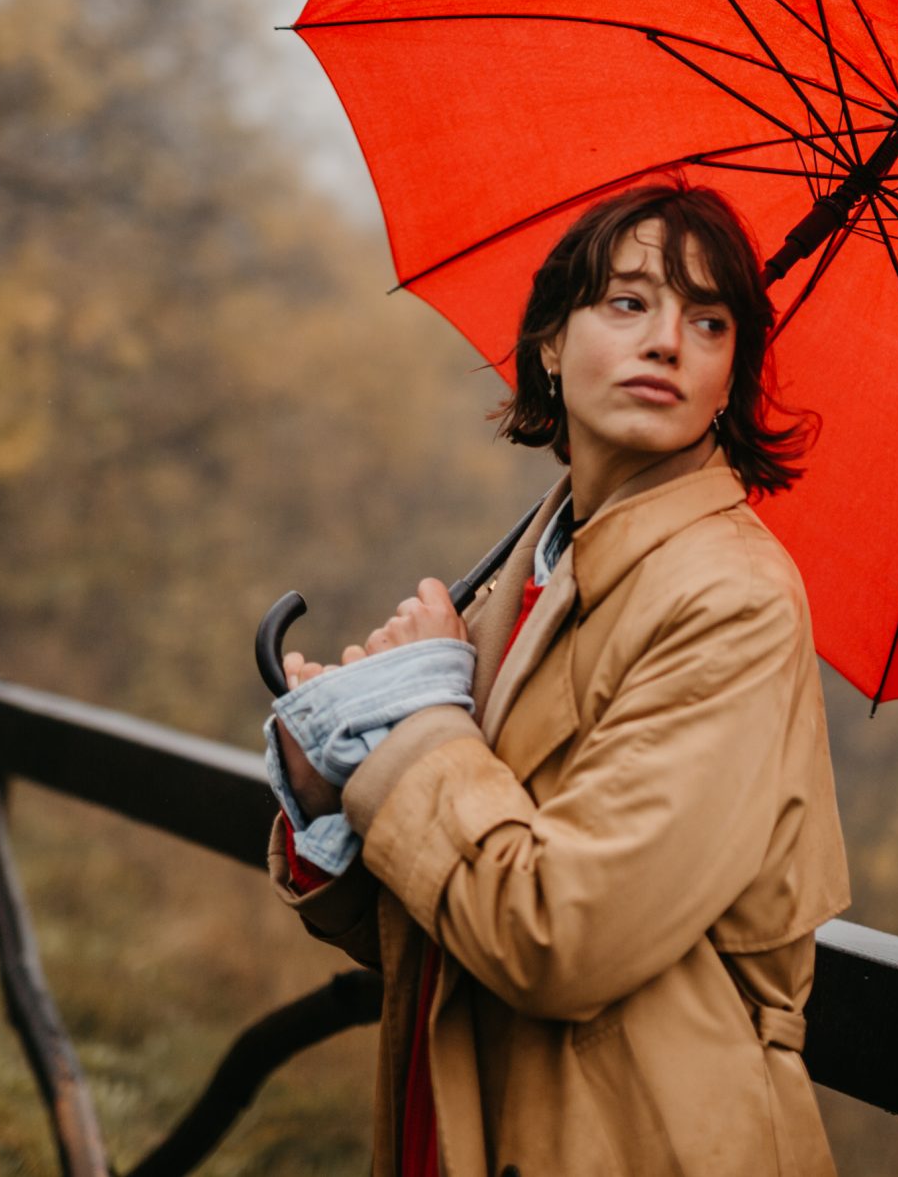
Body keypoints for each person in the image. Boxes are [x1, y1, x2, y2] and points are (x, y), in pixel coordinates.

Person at [265, 182, 851, 1177]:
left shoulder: (731, 600)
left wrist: (415, 726)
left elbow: (554, 938)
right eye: (627, 302)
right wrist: (333, 795)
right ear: (548, 341)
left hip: (640, 1141)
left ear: (729, 377)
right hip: (469, 1118)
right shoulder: (537, 566)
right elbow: (450, 920)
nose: (667, 339)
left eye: (708, 321)